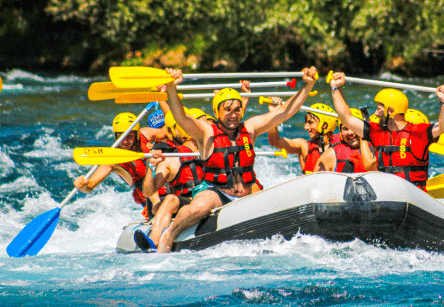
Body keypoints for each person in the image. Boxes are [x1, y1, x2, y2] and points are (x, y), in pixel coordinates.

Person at [157, 67, 319, 253]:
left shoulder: (250, 128)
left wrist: (308, 85)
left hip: (246, 192)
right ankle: (169, 233)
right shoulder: (206, 132)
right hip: (217, 192)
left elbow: (285, 112)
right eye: (227, 110)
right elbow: (181, 117)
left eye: (237, 110)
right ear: (217, 112)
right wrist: (171, 87)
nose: (233, 115)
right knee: (198, 208)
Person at [328, 71, 444, 191]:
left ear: (390, 111)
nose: (375, 114)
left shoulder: (417, 132)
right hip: (387, 194)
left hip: (413, 196)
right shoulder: (376, 132)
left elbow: (443, 127)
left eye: (379, 109)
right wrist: (335, 88)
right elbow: (346, 118)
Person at [134, 111, 203, 251]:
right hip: (184, 200)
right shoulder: (167, 153)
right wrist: (150, 166)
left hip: (209, 197)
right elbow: (148, 191)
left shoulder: (211, 146)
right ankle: (154, 243)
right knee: (170, 200)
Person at [73, 113, 163, 218]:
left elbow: (171, 134)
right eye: (121, 136)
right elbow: (89, 187)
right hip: (151, 202)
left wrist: (160, 146)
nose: (125, 141)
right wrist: (83, 186)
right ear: (115, 135)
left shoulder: (146, 134)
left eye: (129, 136)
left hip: (168, 186)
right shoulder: (113, 161)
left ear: (137, 134)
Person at [267, 101, 339, 174]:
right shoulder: (303, 146)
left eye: (310, 123)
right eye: (306, 122)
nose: (306, 127)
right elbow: (274, 141)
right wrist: (273, 113)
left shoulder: (339, 147)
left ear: (324, 126)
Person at [314, 108, 376, 173]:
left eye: (354, 127)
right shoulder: (331, 154)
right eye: (345, 129)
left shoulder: (374, 149)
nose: (350, 133)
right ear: (340, 132)